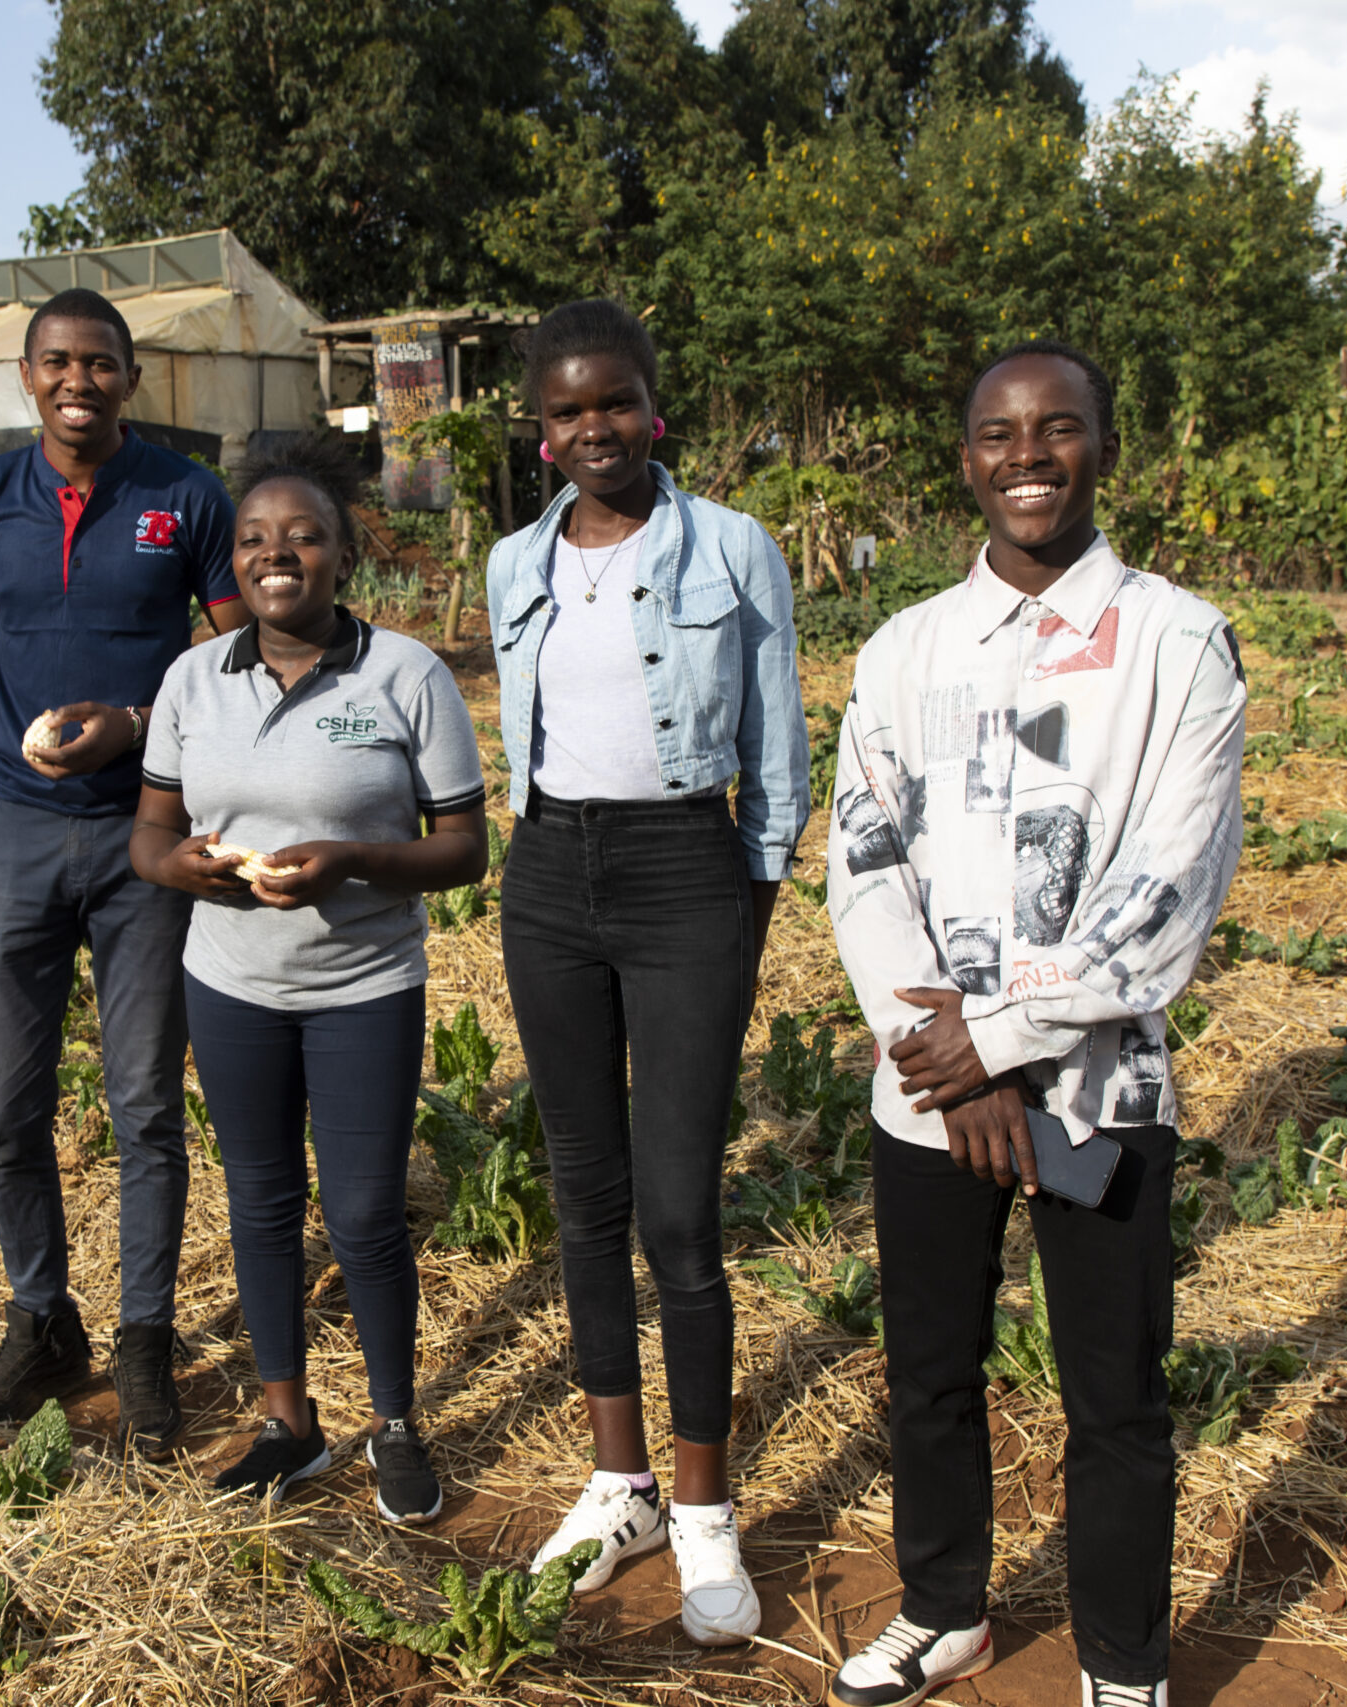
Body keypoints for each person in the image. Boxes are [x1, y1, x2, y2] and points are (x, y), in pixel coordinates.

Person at [822, 340, 1246, 1707]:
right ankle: (947, 1608)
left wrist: (998, 1038)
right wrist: (952, 1068)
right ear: (966, 458)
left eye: (1057, 429)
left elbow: (1168, 889)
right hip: (927, 1090)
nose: (1027, 456)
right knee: (929, 1370)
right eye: (999, 434)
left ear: (1100, 448)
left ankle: (1124, 1660)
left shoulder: (1180, 643)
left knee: (1114, 1391)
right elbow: (864, 862)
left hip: (1099, 1091)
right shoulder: (905, 650)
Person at [487, 299, 808, 1645]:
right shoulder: (514, 560)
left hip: (690, 869)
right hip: (553, 870)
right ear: (540, 428)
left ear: (652, 406)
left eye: (615, 402)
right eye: (567, 411)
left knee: (678, 1211)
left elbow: (780, 745)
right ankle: (615, 1480)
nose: (593, 429)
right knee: (584, 1190)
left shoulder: (734, 546)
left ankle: (703, 1508)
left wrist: (748, 899)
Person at [0, 287, 248, 1455]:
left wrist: (139, 723)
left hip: (143, 835)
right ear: (27, 373)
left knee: (145, 1105)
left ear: (129, 379)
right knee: (6, 1106)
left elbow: (239, 660)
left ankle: (145, 1339)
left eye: (99, 365)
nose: (77, 383)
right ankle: (44, 1318)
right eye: (57, 363)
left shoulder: (185, 498)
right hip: (12, 832)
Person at [130, 438, 488, 1524]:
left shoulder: (406, 675)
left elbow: (465, 848)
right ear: (232, 565)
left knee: (368, 1211)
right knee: (261, 1198)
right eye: (253, 539)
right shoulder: (194, 677)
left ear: (341, 556)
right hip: (230, 980)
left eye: (302, 536)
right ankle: (288, 1421)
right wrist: (179, 867)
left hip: (364, 983)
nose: (275, 553)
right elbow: (150, 834)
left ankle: (393, 1423)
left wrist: (355, 862)